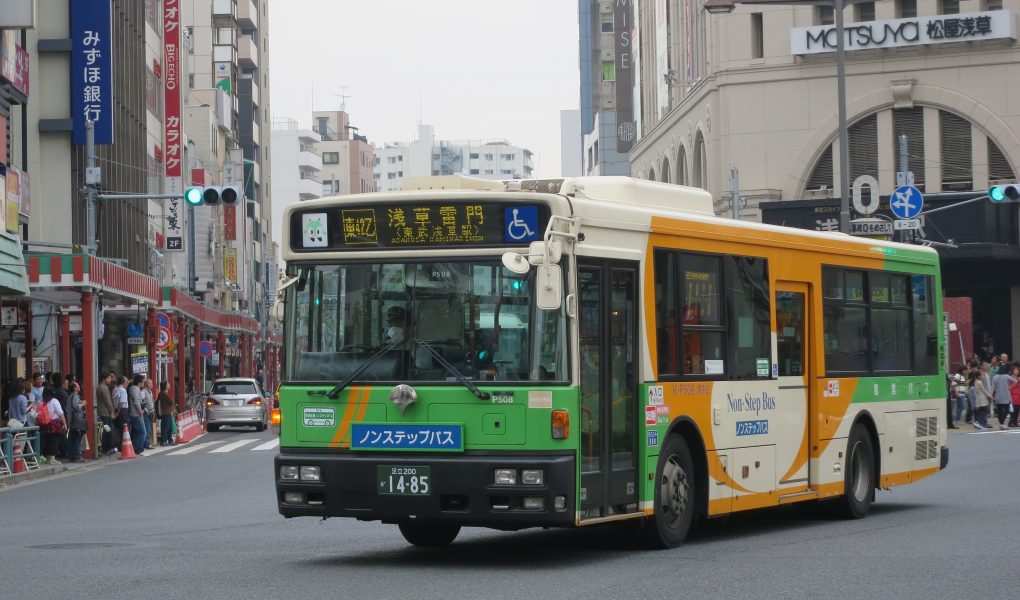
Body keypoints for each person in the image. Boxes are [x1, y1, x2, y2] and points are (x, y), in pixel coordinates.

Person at [39, 387, 66, 465]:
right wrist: (64, 423)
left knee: (47, 440)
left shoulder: (41, 401)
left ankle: (48, 458)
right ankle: (52, 458)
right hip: (54, 423)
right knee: (54, 440)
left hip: (44, 423)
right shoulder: (54, 401)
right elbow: (60, 413)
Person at [991, 362, 1017, 430]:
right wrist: (1010, 387)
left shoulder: (994, 377)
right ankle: (1002, 424)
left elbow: (993, 388)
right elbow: (1015, 381)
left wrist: (991, 396)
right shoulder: (1006, 376)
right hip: (1006, 396)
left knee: (999, 411)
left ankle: (1001, 424)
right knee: (1006, 410)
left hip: (997, 396)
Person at [66, 381, 87, 463]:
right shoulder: (75, 396)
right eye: (78, 385)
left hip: (72, 420)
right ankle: (77, 456)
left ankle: (72, 455)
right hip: (77, 420)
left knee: (73, 438)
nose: (79, 387)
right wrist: (83, 403)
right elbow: (76, 407)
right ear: (75, 388)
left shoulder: (70, 396)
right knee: (77, 439)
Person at [96, 371, 116, 454]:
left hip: (102, 411)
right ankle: (107, 448)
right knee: (108, 431)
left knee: (105, 430)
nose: (110, 379)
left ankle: (105, 448)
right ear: (104, 379)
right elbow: (108, 401)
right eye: (109, 378)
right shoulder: (104, 388)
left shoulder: (99, 387)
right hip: (105, 412)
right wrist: (112, 411)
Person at [127, 374, 146, 455]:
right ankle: (138, 448)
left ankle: (135, 447)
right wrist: (140, 411)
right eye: (143, 382)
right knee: (142, 432)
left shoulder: (134, 389)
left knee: (137, 432)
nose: (144, 384)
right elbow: (136, 401)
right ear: (139, 382)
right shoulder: (135, 389)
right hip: (136, 414)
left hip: (135, 413)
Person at [973, 363, 994, 430]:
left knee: (981, 410)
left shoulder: (977, 381)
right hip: (982, 398)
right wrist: (990, 396)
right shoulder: (979, 382)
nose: (983, 376)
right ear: (978, 376)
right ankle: (978, 422)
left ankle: (980, 423)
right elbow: (984, 391)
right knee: (984, 410)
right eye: (981, 375)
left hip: (980, 398)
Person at [112, 375, 129, 451]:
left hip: (116, 409)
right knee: (124, 428)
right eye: (126, 382)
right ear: (123, 382)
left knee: (118, 429)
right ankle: (124, 447)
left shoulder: (115, 389)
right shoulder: (123, 390)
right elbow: (122, 403)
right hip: (122, 410)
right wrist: (118, 413)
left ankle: (118, 447)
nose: (127, 383)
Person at [157, 381, 175, 446]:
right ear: (165, 386)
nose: (169, 384)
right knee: (165, 427)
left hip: (167, 412)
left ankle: (169, 439)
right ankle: (164, 440)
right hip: (165, 412)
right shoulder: (164, 394)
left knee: (169, 427)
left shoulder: (162, 393)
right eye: (168, 384)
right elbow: (171, 402)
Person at [140, 377, 156, 449]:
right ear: (146, 384)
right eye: (150, 383)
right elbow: (142, 402)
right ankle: (146, 443)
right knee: (147, 428)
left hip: (151, 412)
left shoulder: (150, 391)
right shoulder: (143, 391)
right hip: (146, 412)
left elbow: (151, 401)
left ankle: (147, 442)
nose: (152, 384)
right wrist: (145, 409)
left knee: (149, 428)